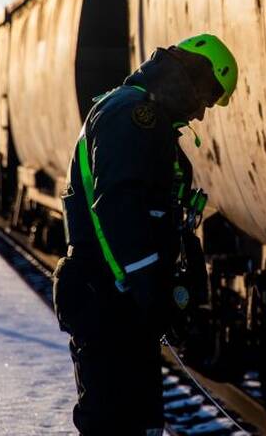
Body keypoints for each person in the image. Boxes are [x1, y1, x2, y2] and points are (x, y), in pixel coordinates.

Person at [52, 34, 238, 436]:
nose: (203, 113)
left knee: (138, 424)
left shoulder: (143, 116)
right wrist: (151, 290)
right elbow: (119, 207)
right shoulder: (132, 116)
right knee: (114, 424)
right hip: (109, 297)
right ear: (191, 72)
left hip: (120, 298)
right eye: (208, 96)